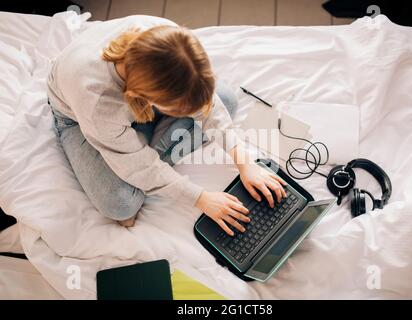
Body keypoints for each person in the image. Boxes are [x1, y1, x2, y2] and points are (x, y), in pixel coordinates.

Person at [47, 21, 286, 235]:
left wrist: (244, 162)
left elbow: (208, 105)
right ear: (143, 97)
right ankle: (135, 163)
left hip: (129, 102)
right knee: (121, 205)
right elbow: (111, 121)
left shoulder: (167, 35)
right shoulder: (98, 103)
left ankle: (137, 162)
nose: (190, 113)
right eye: (179, 110)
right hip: (77, 116)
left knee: (227, 100)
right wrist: (201, 198)